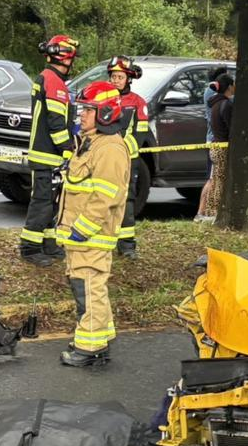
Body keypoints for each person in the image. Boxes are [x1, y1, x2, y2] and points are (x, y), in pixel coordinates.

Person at [56, 81, 131, 367]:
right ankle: (97, 336)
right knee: (87, 287)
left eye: (88, 110)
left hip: (92, 236)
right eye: (83, 109)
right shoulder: (91, 143)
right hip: (81, 236)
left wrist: (81, 230)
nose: (81, 115)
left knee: (89, 289)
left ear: (107, 113)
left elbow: (105, 197)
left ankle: (90, 348)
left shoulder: (110, 149)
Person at [19, 34, 80, 266]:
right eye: (71, 59)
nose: (72, 64)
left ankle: (48, 243)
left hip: (47, 153)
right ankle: (30, 247)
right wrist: (67, 148)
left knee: (52, 202)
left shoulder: (48, 77)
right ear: (65, 58)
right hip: (47, 154)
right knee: (42, 201)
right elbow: (56, 121)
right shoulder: (53, 81)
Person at [106, 55, 148, 259]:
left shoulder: (138, 103)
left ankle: (127, 245)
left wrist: (121, 150)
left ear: (128, 79)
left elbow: (140, 135)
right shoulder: (103, 99)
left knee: (126, 199)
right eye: (113, 76)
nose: (115, 80)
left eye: (119, 77)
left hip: (126, 159)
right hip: (104, 159)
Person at [194, 66, 229, 223]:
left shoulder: (215, 95)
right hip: (215, 141)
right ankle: (202, 212)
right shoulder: (214, 95)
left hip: (216, 140)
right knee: (213, 179)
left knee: (216, 178)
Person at [206, 74, 235, 219]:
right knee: (220, 181)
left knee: (216, 179)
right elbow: (231, 127)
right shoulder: (226, 104)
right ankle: (215, 211)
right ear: (229, 87)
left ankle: (210, 210)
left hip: (215, 145)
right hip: (223, 147)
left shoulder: (215, 104)